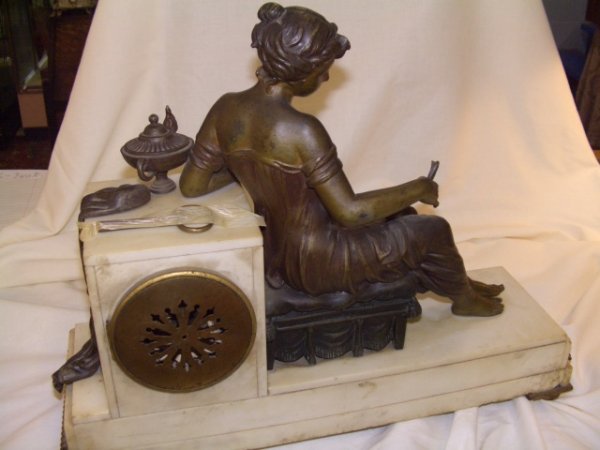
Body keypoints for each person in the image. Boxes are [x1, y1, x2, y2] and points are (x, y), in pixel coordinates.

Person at [180, 2, 504, 317]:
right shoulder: (303, 130)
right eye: (323, 71)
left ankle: (461, 284)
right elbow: (351, 212)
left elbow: (192, 186)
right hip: (319, 260)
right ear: (300, 71)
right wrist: (418, 188)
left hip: (277, 254)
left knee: (403, 215)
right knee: (434, 228)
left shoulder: (225, 108)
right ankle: (465, 301)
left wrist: (244, 165)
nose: (325, 79)